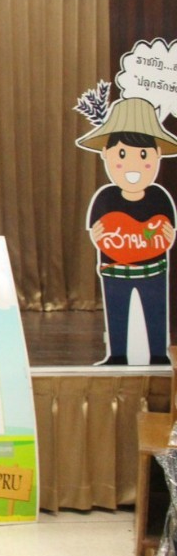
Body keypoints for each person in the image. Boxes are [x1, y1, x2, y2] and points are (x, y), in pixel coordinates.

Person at [77, 97, 177, 365]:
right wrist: (97, 236)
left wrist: (168, 238)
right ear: (106, 155)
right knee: (117, 311)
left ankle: (158, 355)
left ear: (157, 154)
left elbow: (168, 230)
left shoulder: (160, 197)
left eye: (143, 155)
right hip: (114, 271)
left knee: (156, 311)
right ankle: (117, 354)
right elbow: (96, 231)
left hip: (154, 271)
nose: (133, 164)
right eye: (122, 154)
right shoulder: (105, 197)